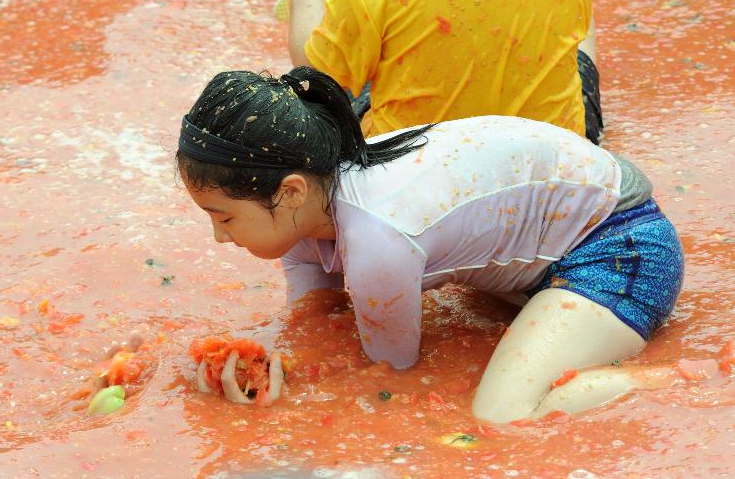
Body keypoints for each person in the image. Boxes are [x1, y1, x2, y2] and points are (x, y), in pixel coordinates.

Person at [176, 66, 685, 423]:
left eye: (223, 217)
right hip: (545, 258)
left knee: (501, 414)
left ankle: (679, 379)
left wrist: (291, 392)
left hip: (621, 250)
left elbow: (390, 371)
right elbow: (318, 320)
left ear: (289, 191)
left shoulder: (377, 239)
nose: (219, 236)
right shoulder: (307, 198)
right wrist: (258, 368)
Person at [263, 0, 604, 143]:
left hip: (420, 169)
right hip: (556, 160)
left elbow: (316, 74)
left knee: (358, 72)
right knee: (571, 24)